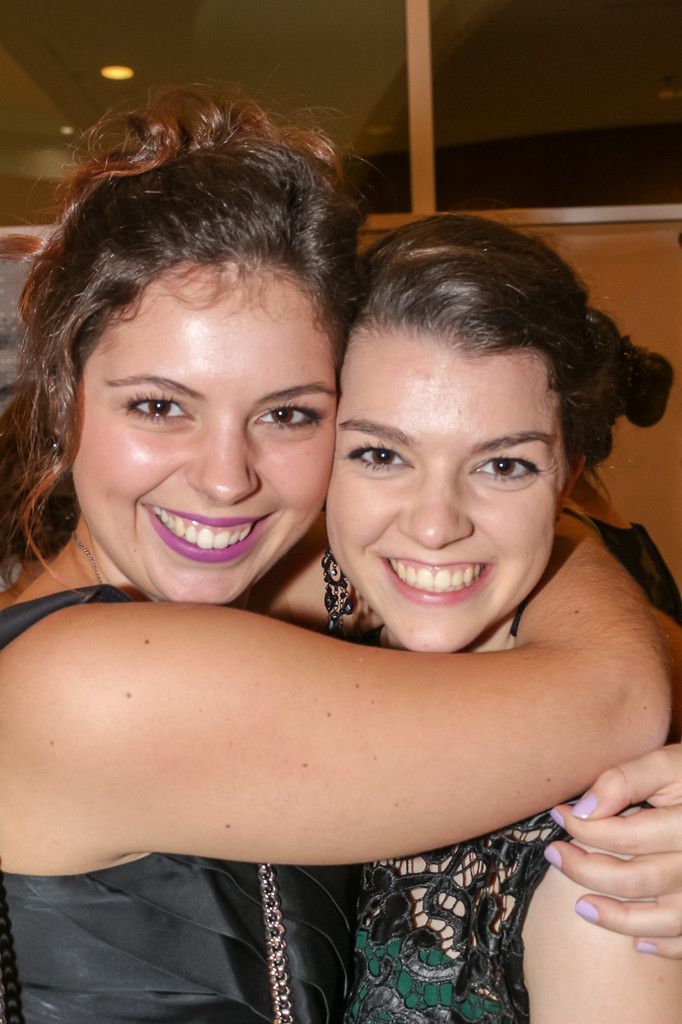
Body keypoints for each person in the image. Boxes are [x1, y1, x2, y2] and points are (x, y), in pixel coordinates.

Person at [0, 88, 672, 1023]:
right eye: (158, 406)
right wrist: (554, 526)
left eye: (287, 414)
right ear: (63, 398)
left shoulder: (258, 600)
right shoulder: (88, 682)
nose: (226, 479)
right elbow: (616, 696)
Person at [318, 214, 681, 1021]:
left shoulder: (605, 863)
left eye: (503, 464)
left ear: (567, 482)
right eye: (381, 454)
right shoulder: (282, 639)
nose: (436, 524)